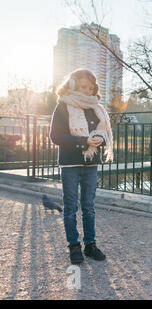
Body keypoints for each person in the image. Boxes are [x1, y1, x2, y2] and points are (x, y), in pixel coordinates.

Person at [50, 69, 114, 264]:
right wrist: (84, 140)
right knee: (70, 207)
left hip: (91, 163)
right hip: (70, 163)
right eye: (83, 87)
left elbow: (102, 133)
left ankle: (90, 245)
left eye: (91, 88)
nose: (87, 91)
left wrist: (98, 140)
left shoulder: (97, 108)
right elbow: (56, 136)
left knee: (89, 207)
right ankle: (74, 246)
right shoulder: (63, 106)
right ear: (73, 85)